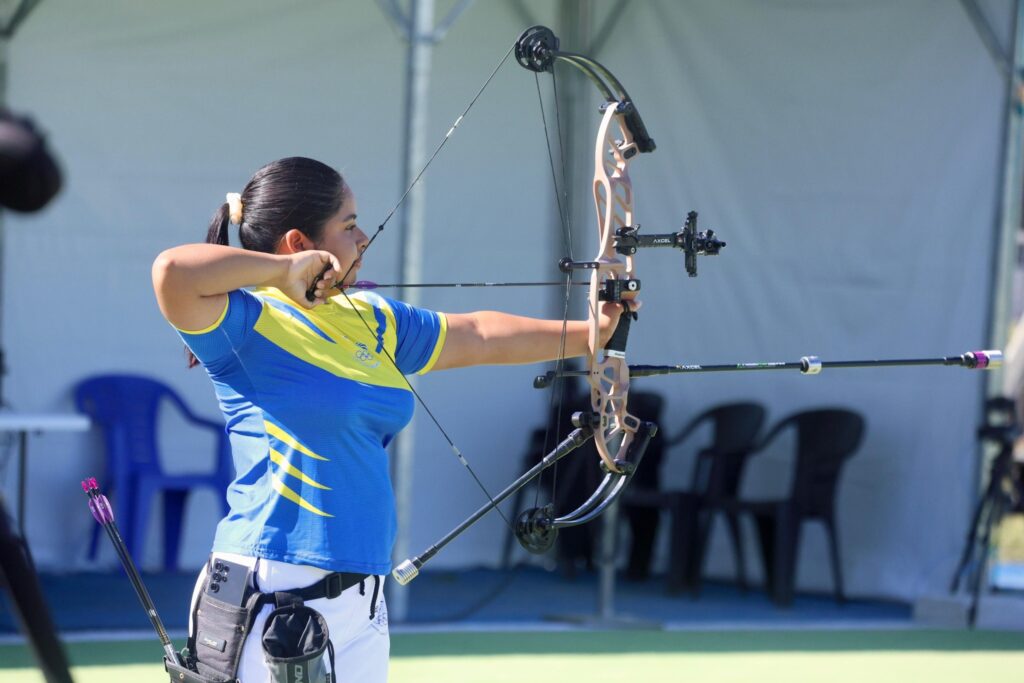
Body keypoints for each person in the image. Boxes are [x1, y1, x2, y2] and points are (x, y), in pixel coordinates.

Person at [151, 156, 632, 683]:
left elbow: (479, 335)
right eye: (349, 225)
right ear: (299, 243)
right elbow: (172, 271)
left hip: (362, 594)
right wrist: (280, 274)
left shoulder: (372, 317)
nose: (363, 239)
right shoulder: (245, 321)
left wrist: (595, 332)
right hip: (272, 590)